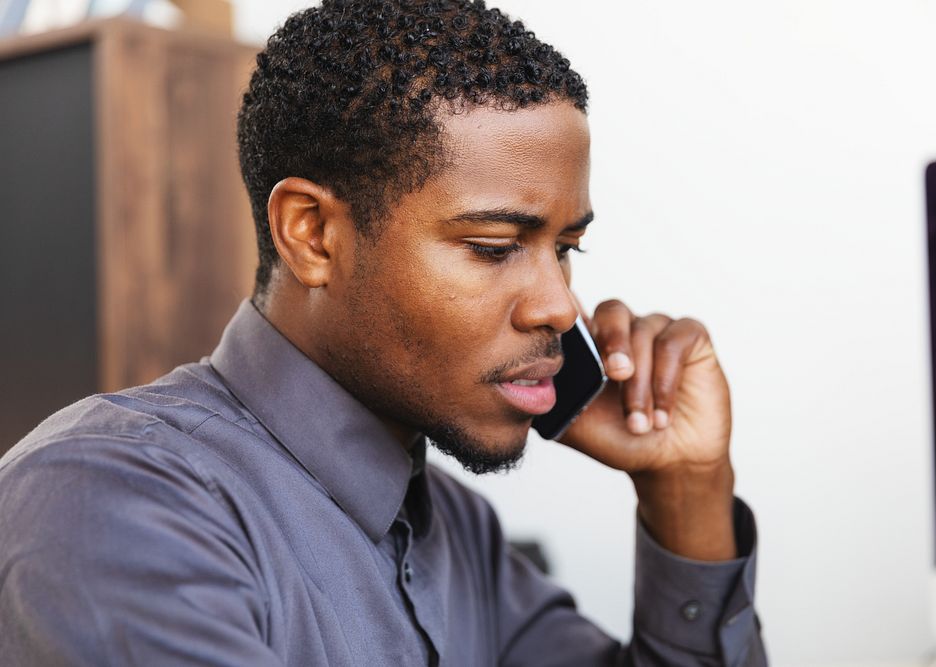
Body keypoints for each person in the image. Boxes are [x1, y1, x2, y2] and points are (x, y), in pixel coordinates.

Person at [0, 0, 767, 664]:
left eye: (565, 249)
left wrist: (687, 488)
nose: (561, 307)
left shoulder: (461, 534)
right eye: (495, 247)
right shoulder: (109, 499)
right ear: (312, 235)